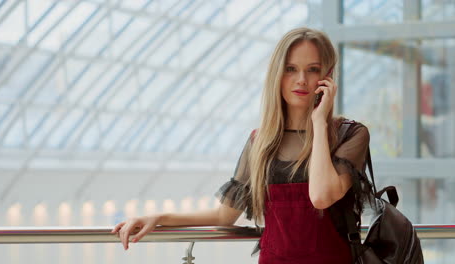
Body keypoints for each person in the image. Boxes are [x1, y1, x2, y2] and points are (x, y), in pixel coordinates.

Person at [112, 27, 374, 263]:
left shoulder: (349, 135)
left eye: (313, 69)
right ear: (277, 75)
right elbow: (224, 216)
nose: (301, 79)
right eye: (291, 69)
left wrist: (319, 122)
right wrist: (158, 218)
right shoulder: (261, 141)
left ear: (327, 76)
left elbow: (320, 196)